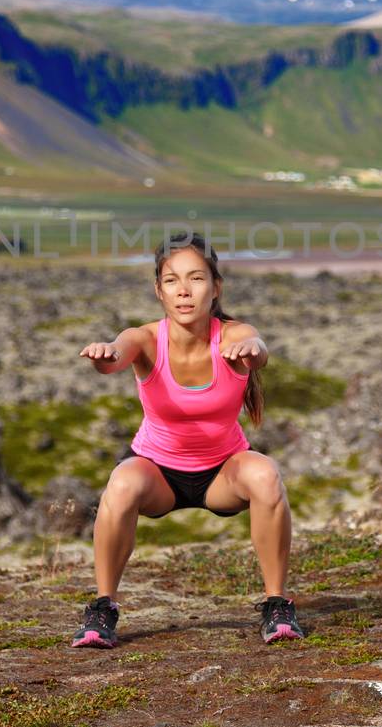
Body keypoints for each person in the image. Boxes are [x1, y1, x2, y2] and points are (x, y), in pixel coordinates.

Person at [71, 231, 306, 648]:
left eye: (196, 279)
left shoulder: (233, 336)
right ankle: (102, 608)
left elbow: (258, 349)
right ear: (158, 290)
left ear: (216, 288)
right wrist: (105, 355)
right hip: (158, 476)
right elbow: (117, 355)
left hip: (222, 475)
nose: (184, 291)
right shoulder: (144, 338)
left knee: (266, 474)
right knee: (122, 481)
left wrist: (253, 349)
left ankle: (276, 604)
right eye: (172, 280)